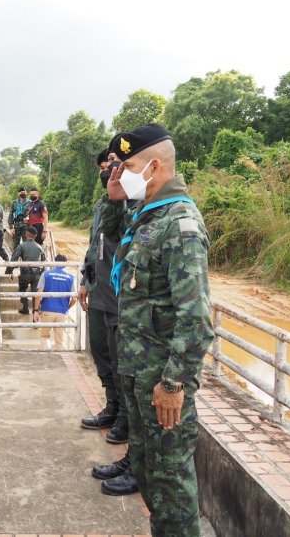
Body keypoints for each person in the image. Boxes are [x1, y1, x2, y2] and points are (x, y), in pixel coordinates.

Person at [103, 123, 214, 537]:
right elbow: (117, 243)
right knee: (150, 478)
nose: (120, 173)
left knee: (172, 488)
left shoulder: (180, 224)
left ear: (152, 166)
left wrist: (173, 383)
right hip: (138, 374)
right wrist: (117, 200)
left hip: (161, 384)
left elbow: (196, 318)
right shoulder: (148, 216)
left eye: (127, 165)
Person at [81, 144, 136, 494]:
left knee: (120, 361)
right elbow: (92, 246)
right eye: (104, 165)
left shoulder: (130, 204)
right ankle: (111, 405)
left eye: (114, 164)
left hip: (119, 297)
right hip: (98, 290)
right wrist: (84, 283)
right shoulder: (102, 204)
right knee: (100, 352)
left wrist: (120, 199)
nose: (108, 170)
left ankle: (122, 417)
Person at [33, 254, 75, 349]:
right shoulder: (71, 277)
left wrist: (36, 310)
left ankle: (47, 357)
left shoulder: (46, 274)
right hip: (62, 312)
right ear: (65, 264)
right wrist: (67, 308)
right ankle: (60, 359)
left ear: (54, 262)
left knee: (45, 336)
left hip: (47, 310)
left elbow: (39, 293)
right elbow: (74, 298)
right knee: (60, 341)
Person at [5, 226, 43, 314]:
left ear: (26, 234)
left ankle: (25, 308)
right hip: (36, 274)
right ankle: (36, 312)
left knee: (22, 289)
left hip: (25, 273)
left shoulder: (22, 246)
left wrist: (9, 271)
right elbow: (44, 261)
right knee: (35, 293)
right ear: (35, 236)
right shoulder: (39, 247)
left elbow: (14, 258)